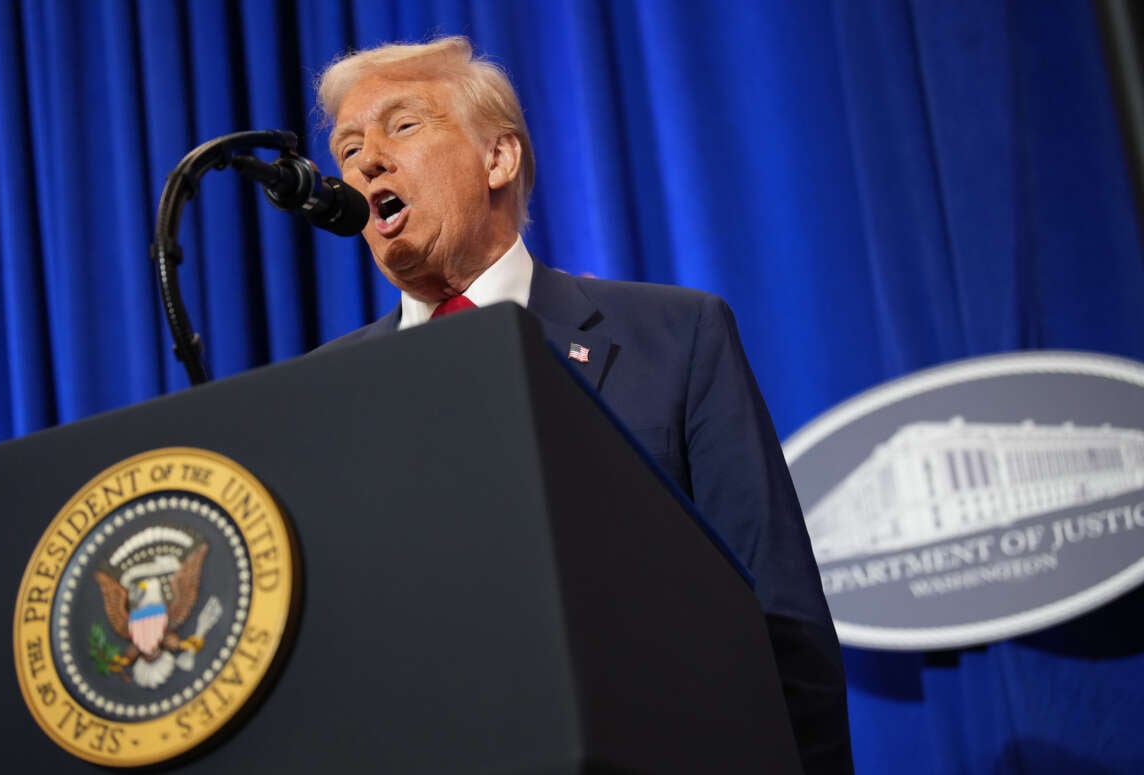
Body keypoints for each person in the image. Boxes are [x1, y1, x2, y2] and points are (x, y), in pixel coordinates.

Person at [314, 36, 853, 774]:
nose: (365, 159)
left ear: (498, 159)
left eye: (401, 126)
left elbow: (778, 615)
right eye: (348, 147)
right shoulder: (329, 393)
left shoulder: (674, 336)